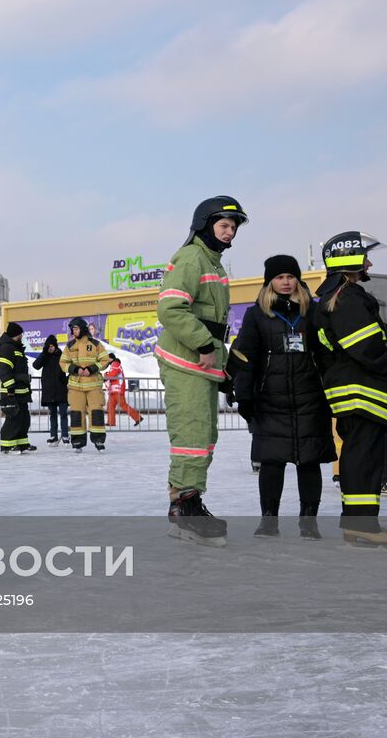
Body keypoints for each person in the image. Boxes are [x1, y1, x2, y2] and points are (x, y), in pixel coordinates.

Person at [156, 195, 248, 545]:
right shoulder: (192, 257)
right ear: (204, 225)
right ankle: (183, 508)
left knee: (204, 436)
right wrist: (205, 345)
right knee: (192, 436)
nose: (229, 233)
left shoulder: (212, 262)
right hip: (186, 360)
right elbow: (171, 309)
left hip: (202, 364)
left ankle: (188, 499)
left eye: (233, 228)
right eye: (224, 226)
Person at [310, 231, 387, 549]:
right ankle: (363, 526)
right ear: (350, 260)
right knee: (363, 460)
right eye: (365, 256)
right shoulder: (347, 298)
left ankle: (359, 524)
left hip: (354, 390)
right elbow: (368, 348)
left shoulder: (338, 296)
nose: (370, 262)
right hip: (361, 390)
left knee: (360, 457)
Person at [229, 255, 335, 539]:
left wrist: (333, 389)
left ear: (298, 280)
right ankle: (269, 521)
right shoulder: (256, 315)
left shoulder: (313, 311)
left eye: (290, 276)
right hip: (270, 400)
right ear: (269, 282)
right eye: (279, 277)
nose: (285, 282)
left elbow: (326, 354)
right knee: (272, 461)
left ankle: (308, 522)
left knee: (309, 462)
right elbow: (245, 356)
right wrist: (244, 394)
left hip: (310, 398)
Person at [60, 318, 111, 452]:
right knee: (76, 414)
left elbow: (105, 360)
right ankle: (77, 442)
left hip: (93, 385)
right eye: (72, 329)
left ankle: (99, 440)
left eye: (76, 329)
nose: (73, 331)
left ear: (82, 329)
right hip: (76, 387)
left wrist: (92, 369)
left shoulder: (95, 344)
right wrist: (75, 369)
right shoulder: (70, 346)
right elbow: (63, 363)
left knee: (96, 413)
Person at [0, 322, 35, 454]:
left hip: (21, 391)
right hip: (11, 391)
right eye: (20, 335)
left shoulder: (16, 348)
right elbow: (4, 370)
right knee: (13, 419)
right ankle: (8, 445)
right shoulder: (7, 348)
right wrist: (10, 388)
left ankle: (21, 443)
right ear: (15, 335)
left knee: (24, 419)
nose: (21, 337)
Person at [32, 335, 69, 444]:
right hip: (49, 391)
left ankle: (65, 435)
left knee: (63, 414)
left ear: (56, 346)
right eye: (49, 346)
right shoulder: (45, 356)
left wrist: (67, 379)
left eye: (52, 346)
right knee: (52, 414)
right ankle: (53, 435)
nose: (51, 348)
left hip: (61, 389)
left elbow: (68, 367)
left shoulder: (61, 355)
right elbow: (35, 365)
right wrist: (44, 353)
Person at [103, 354, 143, 428]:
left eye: (107, 359)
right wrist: (106, 376)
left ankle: (137, 417)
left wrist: (106, 377)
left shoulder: (115, 364)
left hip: (117, 389)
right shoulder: (113, 365)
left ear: (111, 358)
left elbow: (114, 373)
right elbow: (112, 374)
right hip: (113, 390)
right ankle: (111, 422)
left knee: (123, 405)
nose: (106, 360)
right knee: (110, 406)